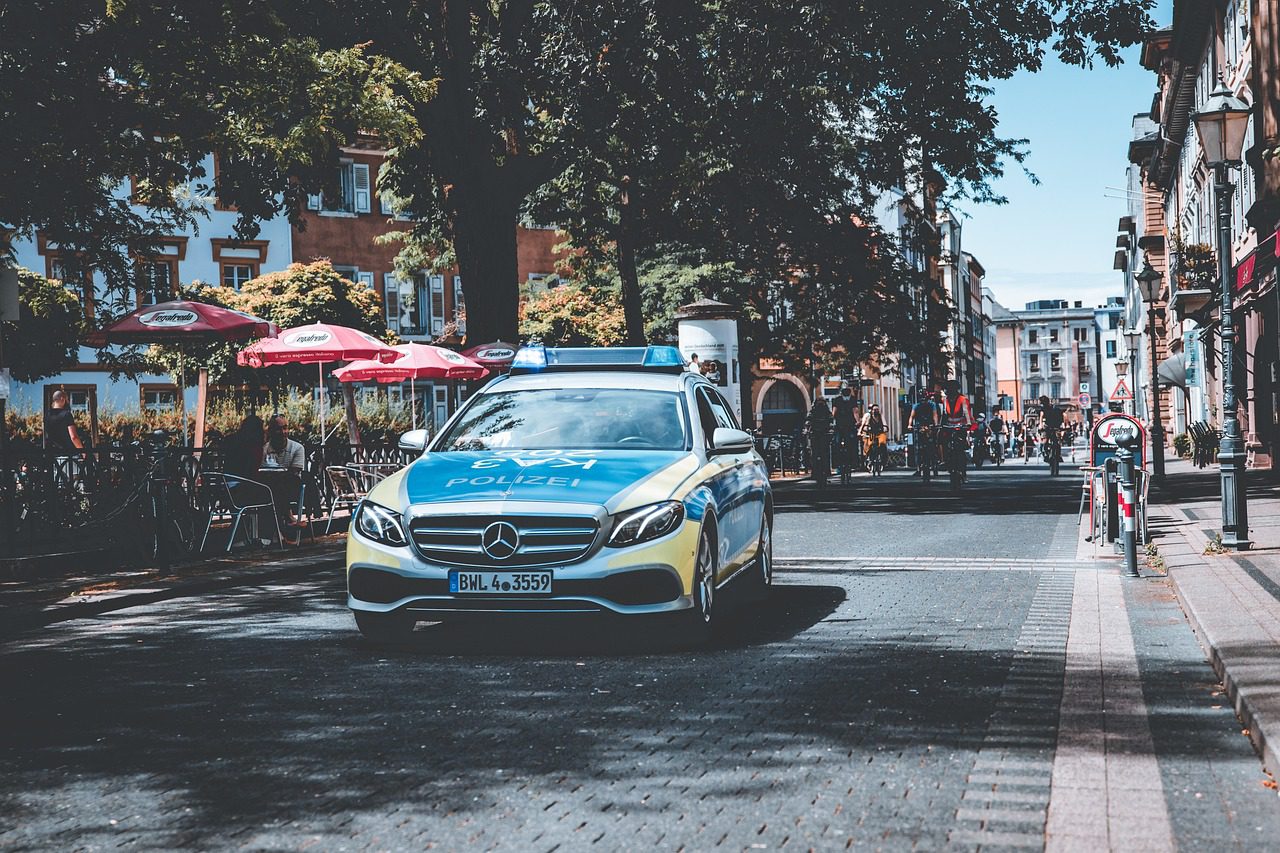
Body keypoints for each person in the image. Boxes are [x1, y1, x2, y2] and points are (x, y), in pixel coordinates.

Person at [831, 385, 859, 475]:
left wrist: (831, 421)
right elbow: (855, 411)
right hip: (848, 425)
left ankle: (838, 464)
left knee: (837, 444)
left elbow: (834, 412)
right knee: (852, 443)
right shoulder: (852, 399)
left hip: (841, 425)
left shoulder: (837, 399)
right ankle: (853, 463)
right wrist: (858, 421)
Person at [806, 396, 832, 484]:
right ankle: (815, 472)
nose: (820, 403)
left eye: (822, 401)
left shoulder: (826, 410)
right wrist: (807, 428)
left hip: (824, 433)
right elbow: (808, 419)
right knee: (814, 453)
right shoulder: (813, 411)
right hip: (815, 433)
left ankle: (826, 470)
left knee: (825, 453)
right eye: (819, 401)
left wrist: (831, 428)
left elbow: (831, 419)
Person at [859, 403, 888, 473]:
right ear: (871, 411)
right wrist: (862, 430)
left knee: (883, 444)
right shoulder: (869, 417)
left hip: (880, 433)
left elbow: (884, 423)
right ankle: (869, 458)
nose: (876, 411)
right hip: (872, 434)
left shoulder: (881, 416)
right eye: (874, 410)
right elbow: (864, 425)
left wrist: (885, 428)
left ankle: (883, 460)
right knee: (869, 445)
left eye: (877, 409)